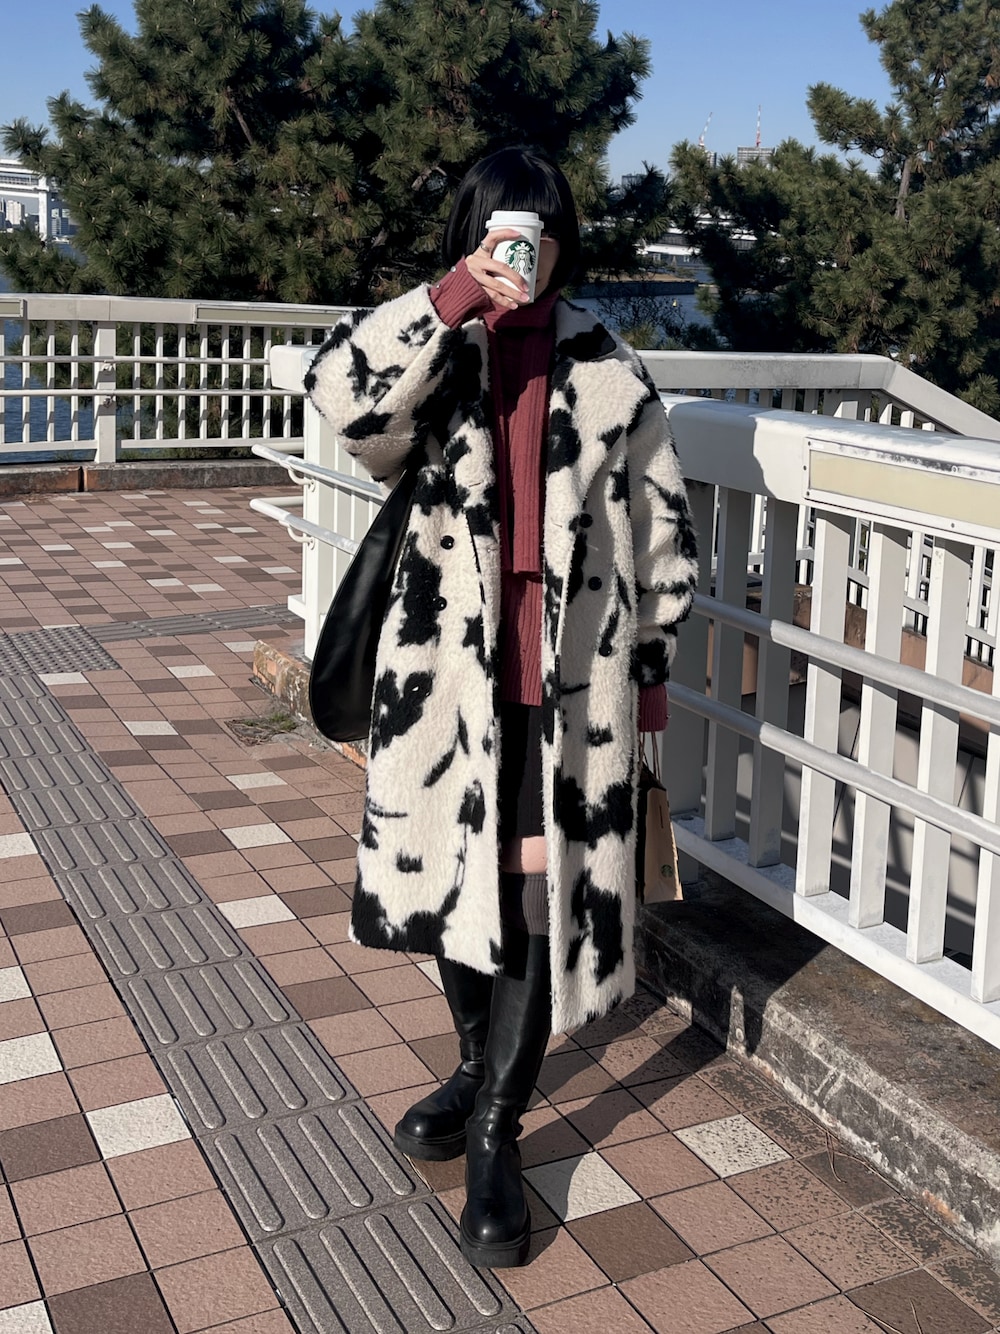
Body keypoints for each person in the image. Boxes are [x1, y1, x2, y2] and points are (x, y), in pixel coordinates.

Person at [305, 146, 698, 1269]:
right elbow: (343, 404)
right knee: (453, 875)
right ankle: (476, 1063)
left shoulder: (608, 365)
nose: (526, 248)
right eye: (501, 229)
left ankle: (496, 1129)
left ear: (566, 243)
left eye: (542, 229)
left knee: (528, 891)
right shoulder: (441, 346)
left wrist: (654, 669)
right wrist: (451, 300)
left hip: (572, 678)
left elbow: (661, 529)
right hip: (444, 673)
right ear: (473, 236)